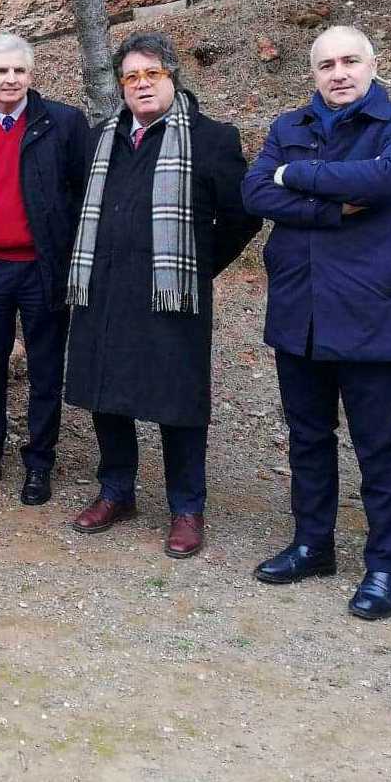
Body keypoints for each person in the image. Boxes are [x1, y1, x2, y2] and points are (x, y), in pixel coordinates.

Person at [243, 26, 391, 620]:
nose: (339, 73)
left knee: (379, 444)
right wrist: (332, 204)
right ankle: (312, 543)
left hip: (370, 308)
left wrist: (294, 177)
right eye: (327, 64)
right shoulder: (288, 128)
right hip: (299, 310)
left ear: (373, 66)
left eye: (350, 61)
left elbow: (385, 181)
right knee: (308, 437)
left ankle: (383, 566)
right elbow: (254, 194)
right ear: (314, 73)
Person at [64, 31, 259, 558]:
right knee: (107, 393)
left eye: (153, 74)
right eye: (131, 76)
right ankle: (116, 491)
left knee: (177, 400)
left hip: (172, 294)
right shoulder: (101, 136)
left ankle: (186, 507)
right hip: (103, 289)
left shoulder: (211, 137)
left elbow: (242, 216)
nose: (142, 84)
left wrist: (197, 266)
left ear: (172, 77)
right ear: (121, 86)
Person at [0, 33, 89, 504]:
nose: (11, 79)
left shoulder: (64, 124)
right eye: (1, 71)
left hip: (43, 268)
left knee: (46, 369)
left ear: (31, 74)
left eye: (19, 71)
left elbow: (81, 193)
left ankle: (39, 464)